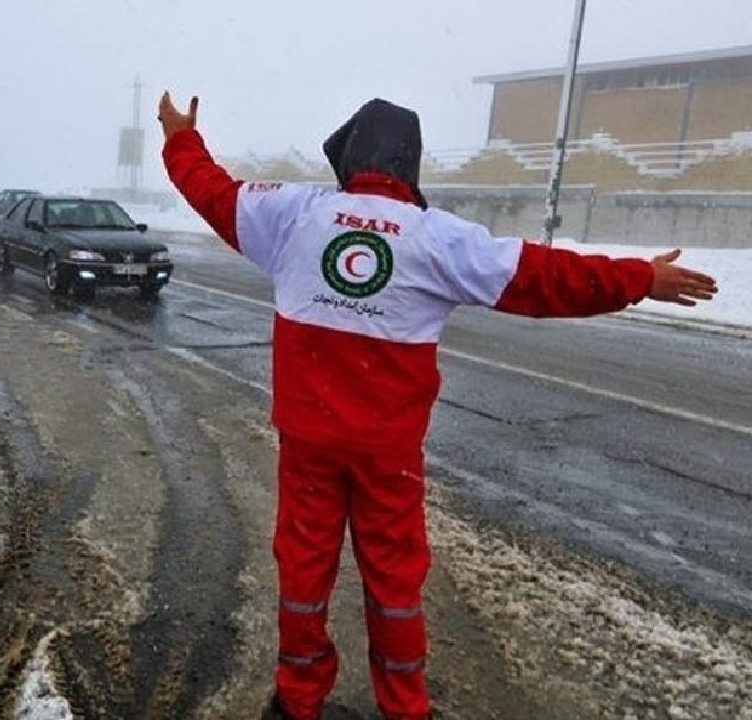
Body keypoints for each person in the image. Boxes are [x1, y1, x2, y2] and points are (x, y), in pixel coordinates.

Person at [157, 93, 718, 720]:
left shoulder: (291, 215)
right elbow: (544, 276)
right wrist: (640, 278)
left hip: (308, 447)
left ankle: (297, 699)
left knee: (303, 575)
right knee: (395, 587)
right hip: (387, 458)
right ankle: (404, 706)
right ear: (409, 165)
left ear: (347, 155)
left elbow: (210, 189)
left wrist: (180, 137)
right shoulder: (438, 238)